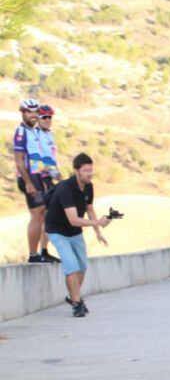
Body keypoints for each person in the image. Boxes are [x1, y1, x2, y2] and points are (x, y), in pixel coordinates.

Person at [44, 153, 110, 318]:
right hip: (57, 230)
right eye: (86, 171)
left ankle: (72, 296)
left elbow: (89, 209)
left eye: (91, 170)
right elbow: (73, 219)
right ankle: (77, 303)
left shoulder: (88, 186)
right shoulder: (66, 188)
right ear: (76, 171)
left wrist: (98, 232)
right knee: (71, 266)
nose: (89, 174)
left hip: (74, 232)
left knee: (82, 266)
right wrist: (97, 222)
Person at [12, 98, 61, 264]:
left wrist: (53, 171)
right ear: (23, 113)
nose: (33, 115)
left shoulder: (35, 132)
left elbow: (43, 157)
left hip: (41, 176)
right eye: (29, 112)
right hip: (29, 177)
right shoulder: (21, 131)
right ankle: (33, 254)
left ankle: (44, 251)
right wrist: (28, 182)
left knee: (48, 213)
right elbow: (19, 160)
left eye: (35, 112)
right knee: (38, 212)